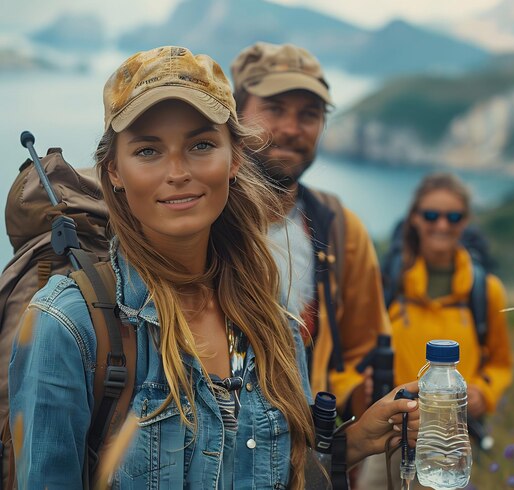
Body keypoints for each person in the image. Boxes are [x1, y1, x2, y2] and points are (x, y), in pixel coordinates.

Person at [8, 46, 419, 489]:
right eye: (148, 151)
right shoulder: (69, 326)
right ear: (114, 172)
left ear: (234, 158)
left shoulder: (270, 316)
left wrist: (353, 442)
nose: (178, 171)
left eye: (201, 145)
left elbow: (286, 471)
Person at [230, 42, 390, 417]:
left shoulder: (339, 229)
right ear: (235, 114)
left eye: (309, 114)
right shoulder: (196, 218)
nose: (291, 128)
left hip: (306, 451)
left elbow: (366, 347)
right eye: (274, 109)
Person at [358, 172, 514, 489]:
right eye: (431, 215)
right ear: (414, 218)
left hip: (452, 440)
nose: (442, 225)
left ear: (465, 221)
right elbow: (356, 353)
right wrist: (361, 385)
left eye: (453, 216)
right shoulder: (388, 284)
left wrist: (485, 392)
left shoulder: (486, 291)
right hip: (390, 434)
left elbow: (501, 363)